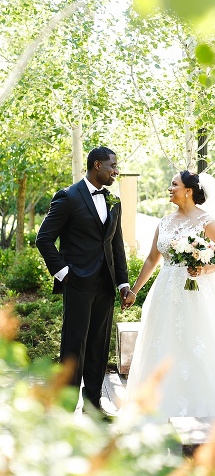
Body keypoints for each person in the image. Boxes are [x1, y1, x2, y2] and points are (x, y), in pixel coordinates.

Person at [120, 170, 215, 419]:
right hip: (165, 293)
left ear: (188, 190)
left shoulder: (208, 223)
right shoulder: (164, 222)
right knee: (165, 343)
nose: (169, 188)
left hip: (197, 292)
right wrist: (134, 290)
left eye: (174, 184)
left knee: (198, 342)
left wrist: (202, 268)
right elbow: (151, 259)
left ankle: (202, 402)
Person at [37, 146, 130, 416]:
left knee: (98, 345)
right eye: (113, 165)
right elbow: (43, 239)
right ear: (97, 165)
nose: (116, 170)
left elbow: (117, 245)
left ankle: (93, 405)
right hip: (77, 282)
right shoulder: (68, 197)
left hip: (105, 285)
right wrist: (65, 273)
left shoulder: (114, 201)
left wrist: (123, 283)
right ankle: (65, 409)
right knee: (73, 344)